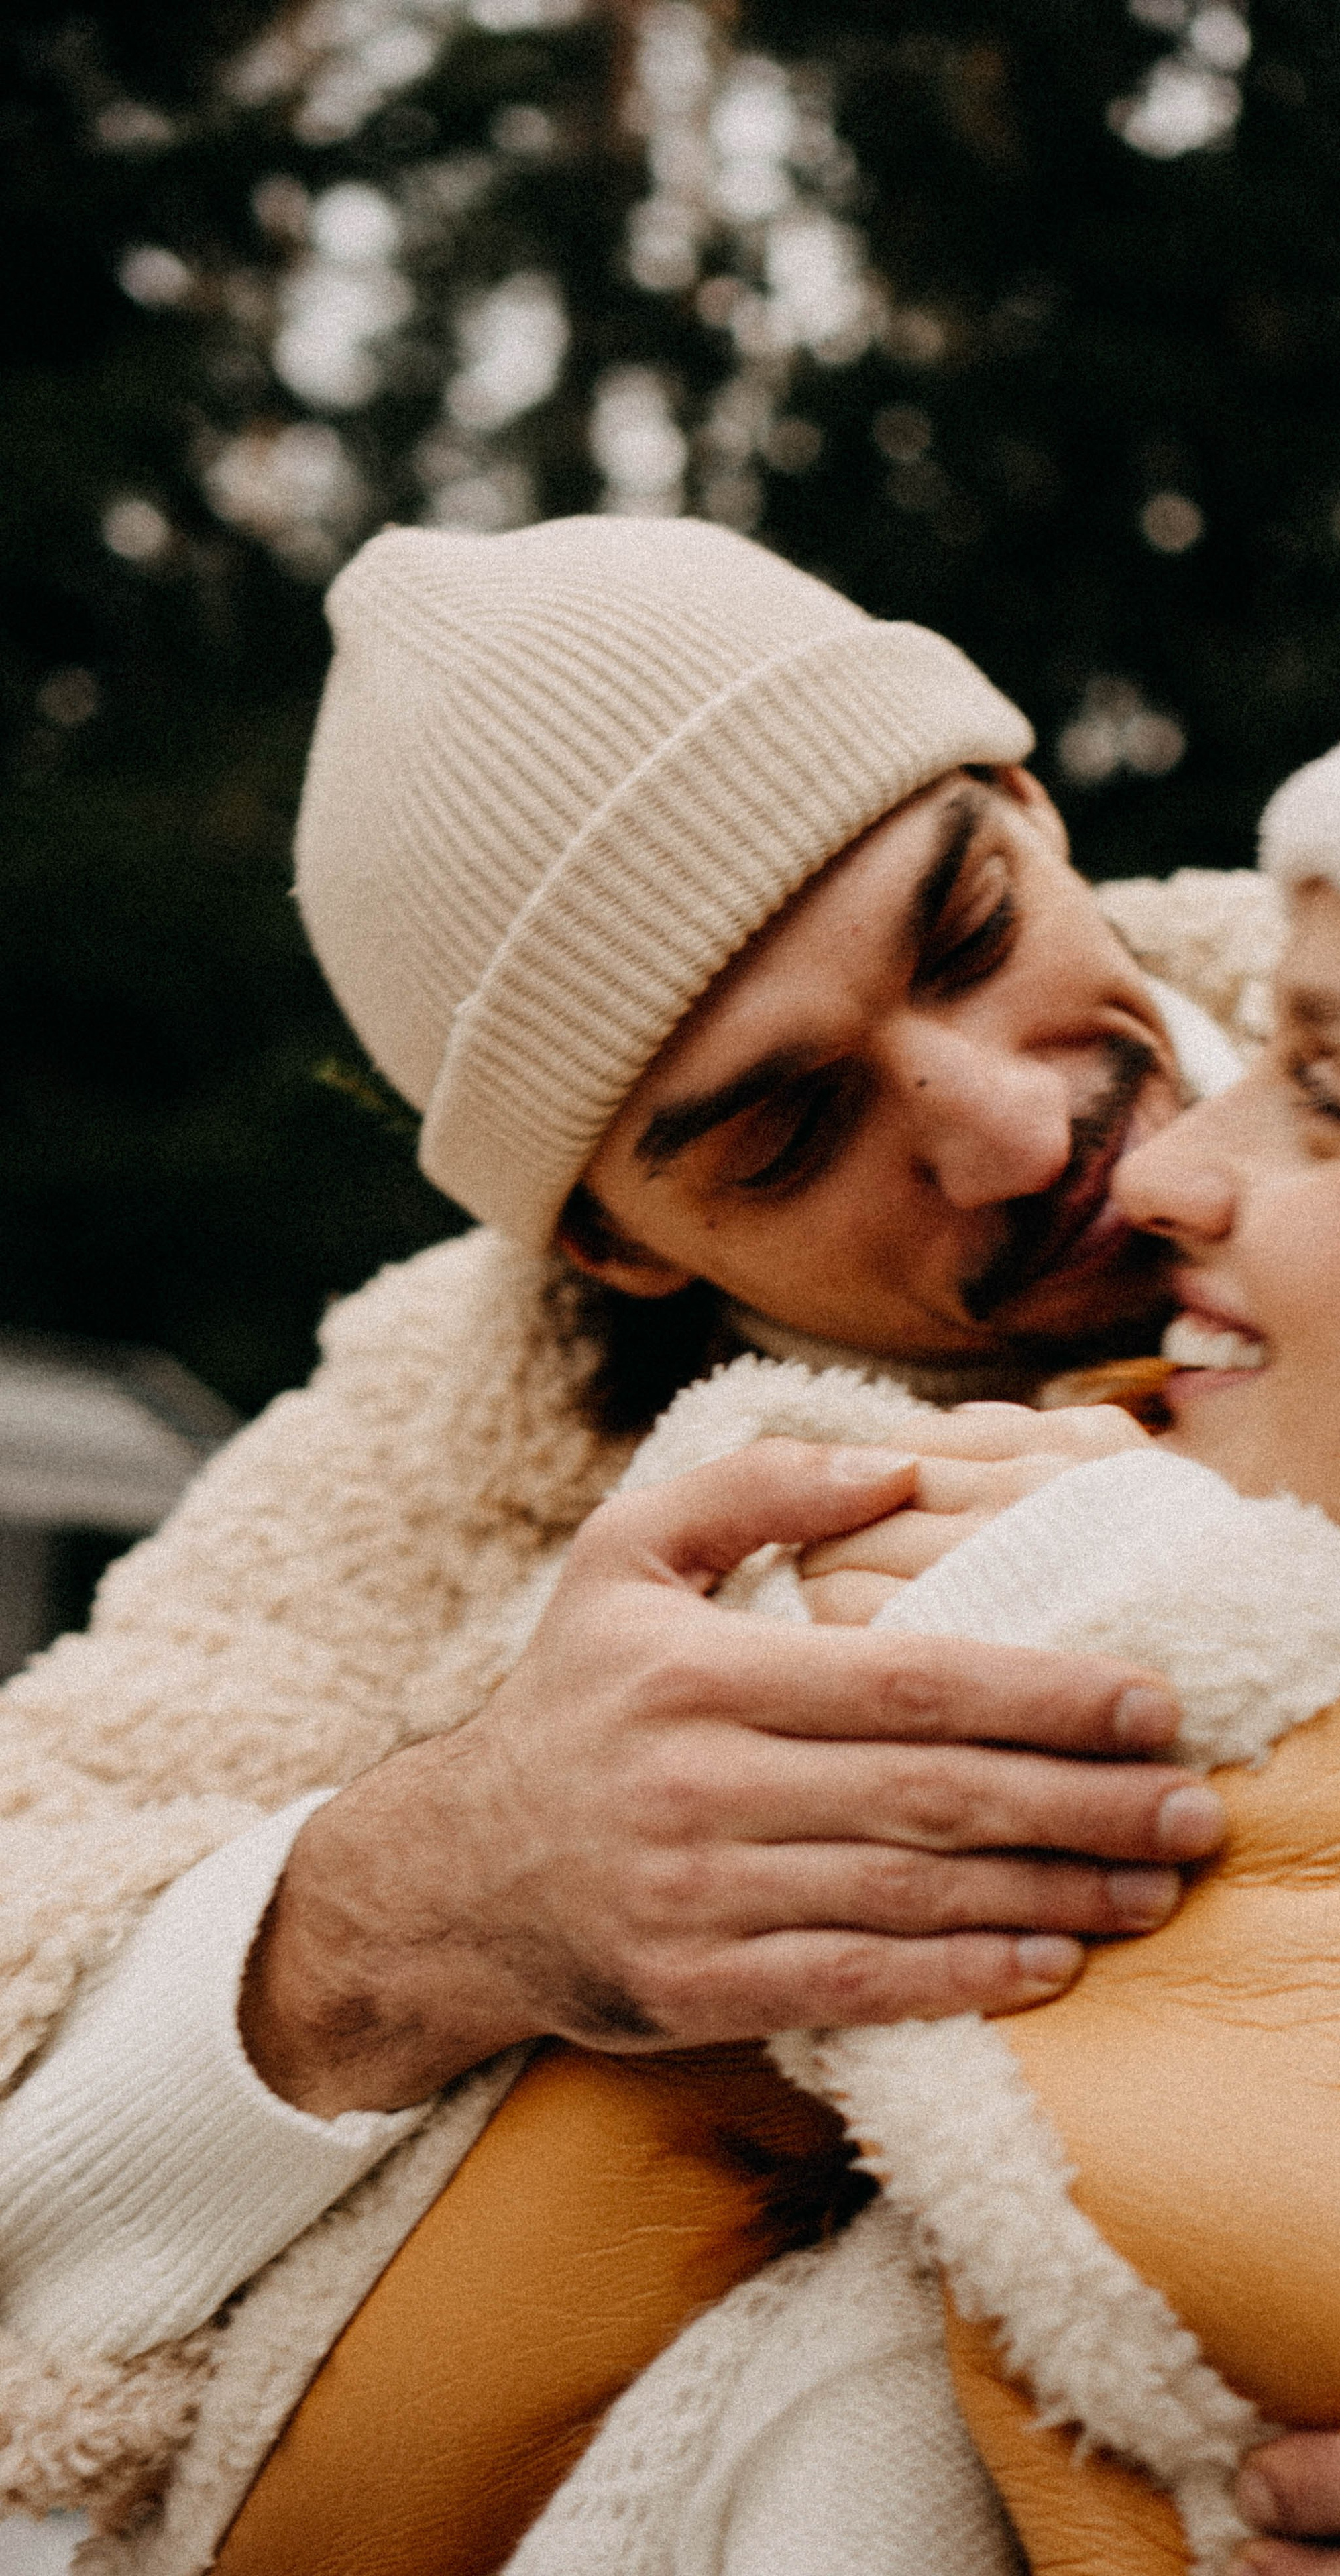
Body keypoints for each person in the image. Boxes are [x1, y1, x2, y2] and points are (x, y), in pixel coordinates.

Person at [0, 514, 1273, 2542]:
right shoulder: (426, 1448)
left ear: (1025, 793)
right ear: (608, 1241)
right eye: (788, 1135)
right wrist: (433, 1897)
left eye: (967, 929)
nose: (1019, 1137)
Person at [499, 535, 1340, 2574]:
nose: (1134, 1166)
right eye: (781, 1130)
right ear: (619, 1246)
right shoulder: (689, 1627)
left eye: (1315, 1086)